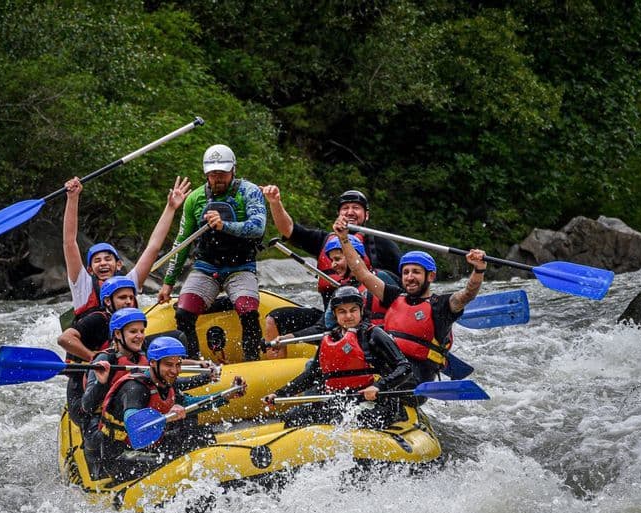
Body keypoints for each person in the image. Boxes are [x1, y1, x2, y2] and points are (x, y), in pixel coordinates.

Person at [333, 216, 487, 383]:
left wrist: (478, 269)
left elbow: (468, 294)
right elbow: (362, 272)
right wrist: (343, 239)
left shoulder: (441, 306)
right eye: (406, 272)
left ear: (431, 276)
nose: (410, 277)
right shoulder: (393, 296)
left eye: (416, 272)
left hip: (416, 377)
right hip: (387, 368)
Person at [261, 186, 403, 357]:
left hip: (367, 322)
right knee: (275, 319)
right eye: (345, 208)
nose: (350, 212)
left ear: (367, 215)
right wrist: (275, 203)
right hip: (330, 317)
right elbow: (289, 229)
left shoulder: (384, 246)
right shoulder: (325, 240)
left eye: (356, 208)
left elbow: (403, 293)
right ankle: (278, 370)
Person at [157, 144, 267, 361]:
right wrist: (168, 282)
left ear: (233, 170)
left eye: (223, 173)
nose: (218, 179)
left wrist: (223, 225)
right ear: (206, 173)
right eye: (213, 174)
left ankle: (251, 360)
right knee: (183, 313)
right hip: (206, 267)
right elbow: (182, 241)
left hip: (241, 267)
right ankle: (193, 364)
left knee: (248, 311)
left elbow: (258, 226)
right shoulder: (195, 199)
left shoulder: (249, 191)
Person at [78, 309, 216, 477]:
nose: (140, 336)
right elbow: (87, 406)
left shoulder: (142, 358)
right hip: (104, 429)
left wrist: (204, 377)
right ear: (118, 333)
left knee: (194, 431)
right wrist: (100, 383)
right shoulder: (104, 361)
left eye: (142, 331)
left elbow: (168, 382)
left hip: (138, 421)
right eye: (133, 331)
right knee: (164, 456)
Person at [261, 287, 415, 429]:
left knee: (348, 419)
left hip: (374, 403)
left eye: (353, 310)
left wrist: (379, 386)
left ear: (361, 311)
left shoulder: (374, 335)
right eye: (342, 311)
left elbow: (405, 368)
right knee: (293, 417)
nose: (348, 316)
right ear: (335, 314)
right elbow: (313, 374)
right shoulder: (330, 339)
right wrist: (280, 393)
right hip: (341, 401)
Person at [96, 336, 246, 480]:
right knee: (168, 460)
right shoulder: (135, 388)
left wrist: (226, 396)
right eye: (169, 364)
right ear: (153, 363)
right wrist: (166, 416)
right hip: (119, 456)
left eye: (178, 364)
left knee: (200, 435)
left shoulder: (166, 382)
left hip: (148, 446)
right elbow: (134, 424)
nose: (175, 371)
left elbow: (190, 404)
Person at [58, 175, 191, 332]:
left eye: (108, 259)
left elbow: (153, 247)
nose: (103, 263)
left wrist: (170, 208)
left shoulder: (129, 283)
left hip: (125, 348)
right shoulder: (82, 284)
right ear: (90, 269)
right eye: (97, 261)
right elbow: (69, 243)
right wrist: (72, 198)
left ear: (119, 264)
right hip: (92, 352)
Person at [263, 234, 396, 358]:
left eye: (337, 259)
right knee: (313, 364)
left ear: (352, 256)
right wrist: (288, 338)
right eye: (332, 260)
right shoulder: (342, 291)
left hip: (383, 352)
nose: (333, 265)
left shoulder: (382, 279)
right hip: (352, 352)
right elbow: (323, 327)